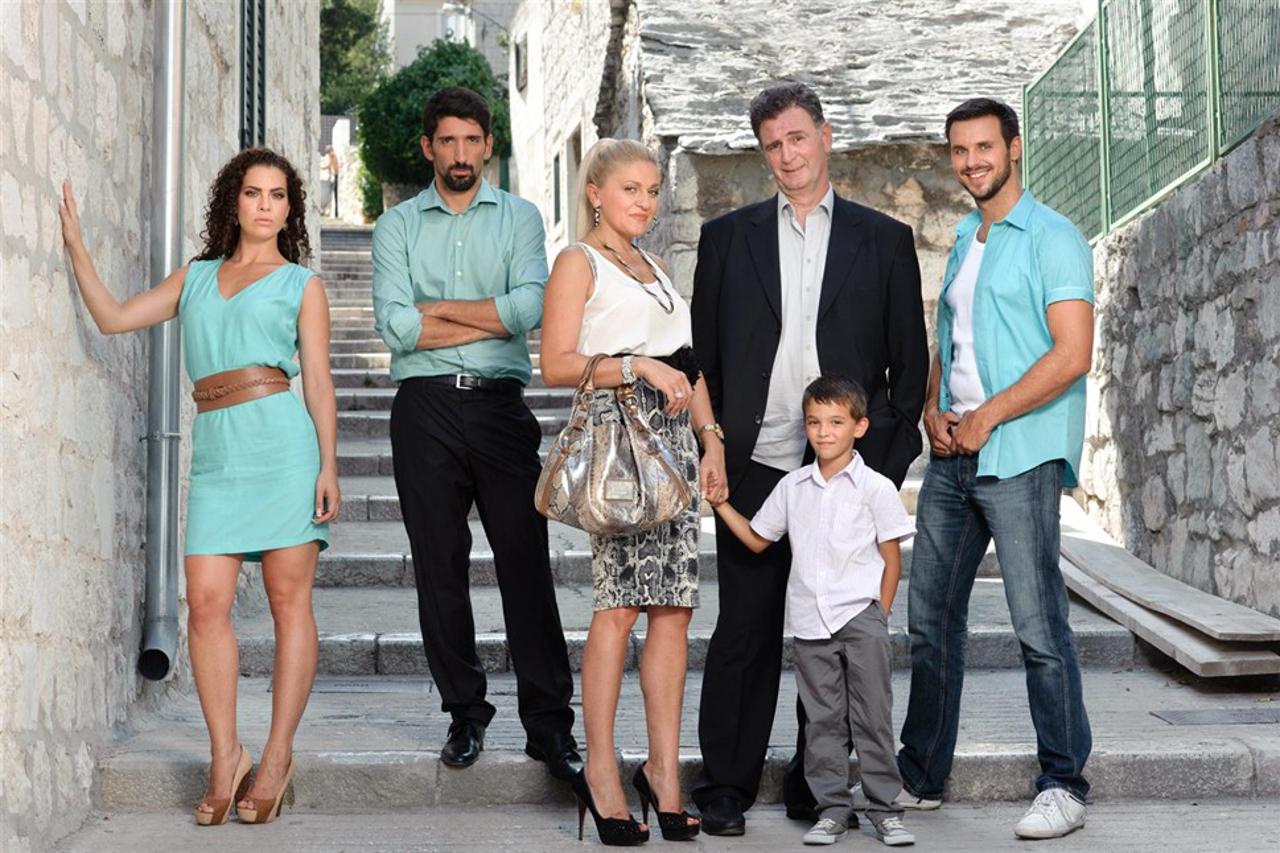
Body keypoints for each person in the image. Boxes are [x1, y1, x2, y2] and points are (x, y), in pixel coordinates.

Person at [59, 147, 339, 826]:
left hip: (283, 449)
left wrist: (329, 464)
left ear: (290, 210)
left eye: (278, 196)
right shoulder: (197, 276)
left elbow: (319, 380)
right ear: (232, 203)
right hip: (217, 454)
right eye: (253, 193)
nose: (265, 206)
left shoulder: (302, 285)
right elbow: (114, 317)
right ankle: (225, 756)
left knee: (288, 603)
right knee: (206, 604)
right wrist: (76, 246)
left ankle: (276, 757)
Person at [689, 81, 928, 834]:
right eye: (772, 145)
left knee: (832, 631)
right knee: (745, 628)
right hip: (757, 463)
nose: (787, 155)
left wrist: (876, 471)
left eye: (797, 138)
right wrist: (711, 443)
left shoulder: (883, 239)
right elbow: (704, 362)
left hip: (845, 469)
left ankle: (812, 781)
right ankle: (725, 784)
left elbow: (908, 370)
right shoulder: (727, 240)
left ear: (825, 137)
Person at [891, 97, 1094, 839]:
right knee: (929, 621)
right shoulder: (963, 239)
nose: (972, 161)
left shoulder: (1054, 237)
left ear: (1014, 147)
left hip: (1019, 454)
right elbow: (949, 340)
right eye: (959, 150)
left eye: (984, 147)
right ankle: (921, 775)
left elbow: (1073, 354)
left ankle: (1064, 782)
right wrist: (932, 408)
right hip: (952, 458)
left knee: (1038, 625)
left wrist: (989, 415)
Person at [370, 86, 581, 781]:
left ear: (489, 145)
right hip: (423, 409)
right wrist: (484, 314)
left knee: (526, 563)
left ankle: (549, 725)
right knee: (439, 567)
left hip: (499, 408)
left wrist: (437, 312)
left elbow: (530, 308)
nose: (460, 154)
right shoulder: (396, 226)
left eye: (471, 140)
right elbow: (395, 326)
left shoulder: (520, 217)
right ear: (428, 147)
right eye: (447, 141)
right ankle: (465, 712)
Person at [540, 138, 726, 846]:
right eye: (631, 189)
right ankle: (601, 772)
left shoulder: (656, 268)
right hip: (619, 444)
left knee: (674, 610)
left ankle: (663, 772)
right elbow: (556, 363)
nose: (645, 202)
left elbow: (689, 363)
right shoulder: (578, 262)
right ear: (596, 192)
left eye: (652, 190)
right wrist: (636, 364)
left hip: (674, 446)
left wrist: (711, 439)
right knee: (617, 608)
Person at [711, 376, 915, 847]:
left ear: (859, 427)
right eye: (815, 422)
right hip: (810, 624)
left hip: (861, 618)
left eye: (836, 422)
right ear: (805, 427)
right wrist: (719, 504)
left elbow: (891, 559)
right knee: (822, 722)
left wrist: (880, 614)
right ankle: (832, 810)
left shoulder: (876, 487)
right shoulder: (792, 487)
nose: (824, 432)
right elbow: (758, 539)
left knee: (872, 718)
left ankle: (886, 810)